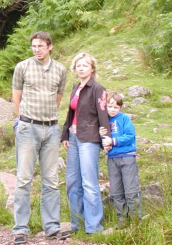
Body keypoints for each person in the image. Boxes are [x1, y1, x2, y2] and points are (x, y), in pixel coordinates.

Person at [12, 31, 68, 243]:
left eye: (41, 46)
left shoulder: (61, 70)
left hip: (51, 129)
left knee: (51, 180)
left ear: (50, 46)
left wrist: (48, 118)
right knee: (23, 179)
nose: (37, 50)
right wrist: (22, 121)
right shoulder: (22, 67)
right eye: (34, 46)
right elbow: (16, 97)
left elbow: (58, 98)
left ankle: (52, 227)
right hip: (28, 127)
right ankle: (20, 229)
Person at [61, 52, 110, 235]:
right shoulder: (75, 88)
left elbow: (103, 114)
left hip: (89, 138)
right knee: (73, 182)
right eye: (78, 66)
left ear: (92, 68)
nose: (81, 68)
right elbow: (70, 114)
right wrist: (65, 134)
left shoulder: (98, 88)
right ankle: (77, 224)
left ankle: (94, 227)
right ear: (75, 69)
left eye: (85, 65)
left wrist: (106, 137)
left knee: (89, 183)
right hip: (73, 138)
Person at [100, 92, 141, 227]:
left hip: (127, 157)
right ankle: (122, 219)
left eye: (115, 107)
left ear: (120, 108)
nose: (112, 109)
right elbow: (102, 140)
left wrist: (114, 141)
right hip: (112, 158)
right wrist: (103, 143)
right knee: (116, 191)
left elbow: (130, 136)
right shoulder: (104, 121)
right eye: (110, 106)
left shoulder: (124, 119)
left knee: (130, 190)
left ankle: (135, 220)